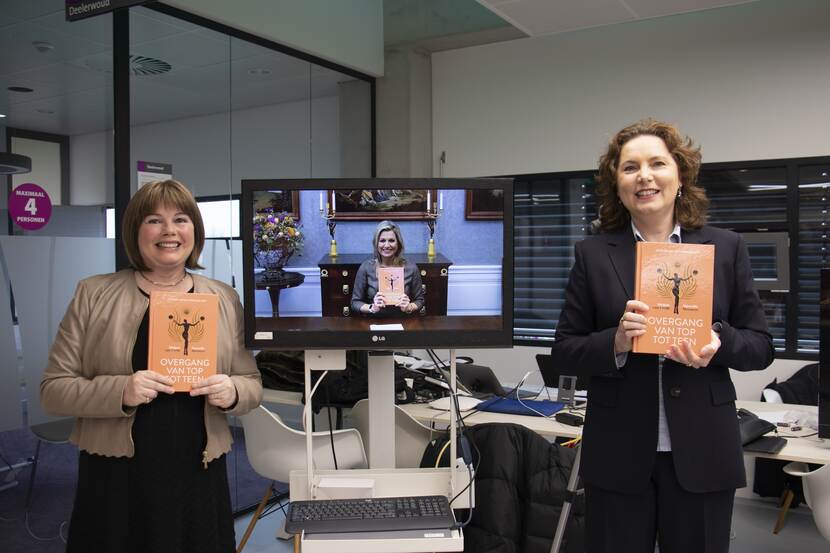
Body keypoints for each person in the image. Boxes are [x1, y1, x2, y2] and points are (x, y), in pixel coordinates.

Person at [550, 119, 773, 553]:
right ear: (617, 186)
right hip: (618, 452)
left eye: (657, 163)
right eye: (630, 167)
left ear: (680, 176)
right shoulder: (593, 254)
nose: (644, 176)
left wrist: (718, 342)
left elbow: (761, 346)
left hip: (703, 450)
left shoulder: (725, 248)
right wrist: (615, 341)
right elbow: (564, 351)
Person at [40, 180, 262, 553]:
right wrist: (120, 390)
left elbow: (252, 384)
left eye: (181, 219)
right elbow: (53, 391)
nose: (169, 231)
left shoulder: (223, 298)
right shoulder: (94, 294)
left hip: (198, 472)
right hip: (116, 475)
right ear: (135, 231)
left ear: (195, 230)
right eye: (154, 220)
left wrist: (234, 390)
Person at [351, 220, 424, 317]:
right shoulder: (366, 267)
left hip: (403, 320)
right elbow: (355, 303)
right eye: (382, 241)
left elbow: (420, 300)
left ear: (398, 243)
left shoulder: (411, 268)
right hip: (375, 321)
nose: (387, 245)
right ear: (376, 244)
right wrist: (372, 308)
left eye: (391, 240)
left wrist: (409, 307)